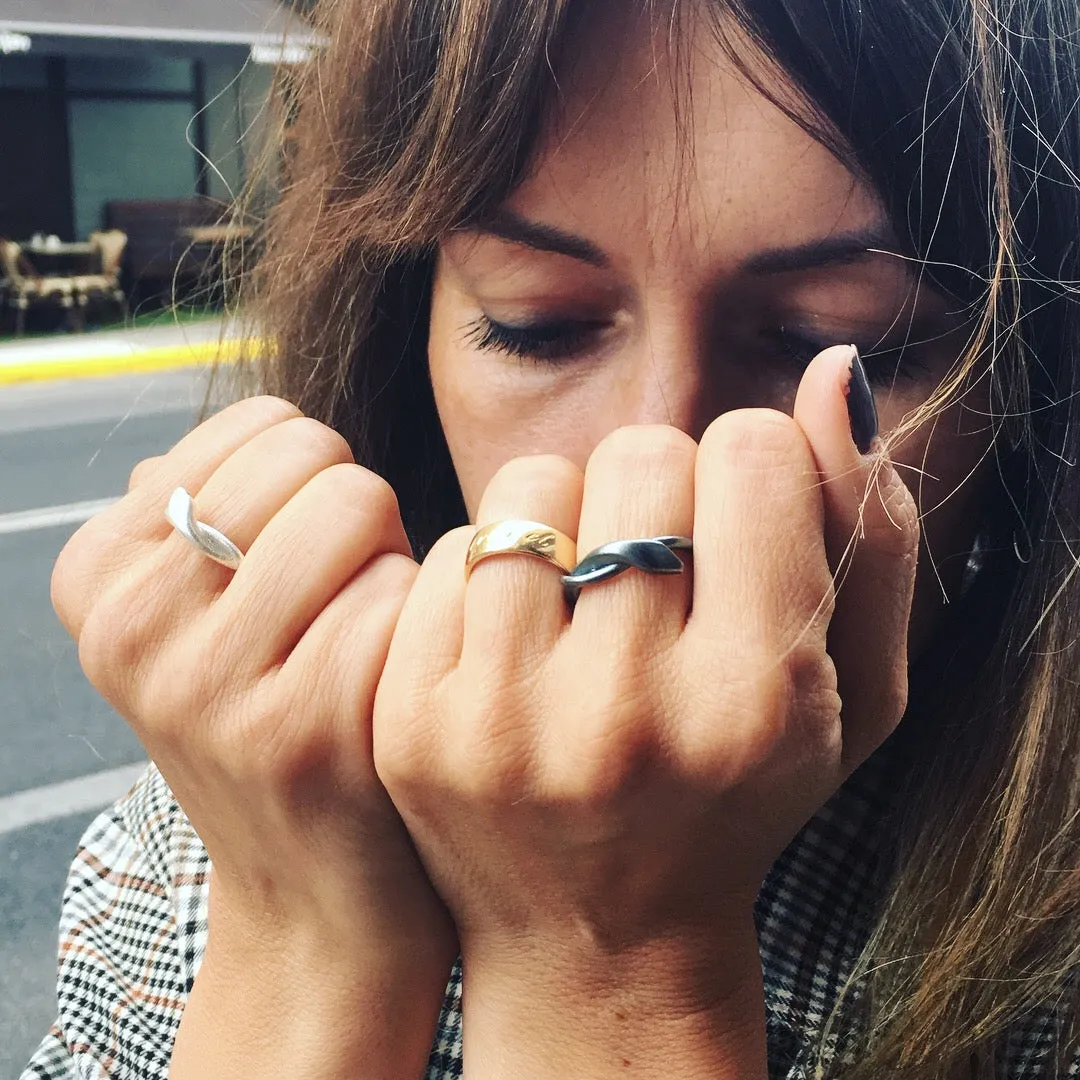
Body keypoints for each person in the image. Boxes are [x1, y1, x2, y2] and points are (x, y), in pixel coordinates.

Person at [21, 0, 1080, 1076]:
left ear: (1035, 386)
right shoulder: (211, 836)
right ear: (408, 328)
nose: (651, 454)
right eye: (538, 324)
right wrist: (299, 939)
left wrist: (609, 964)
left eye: (835, 340)